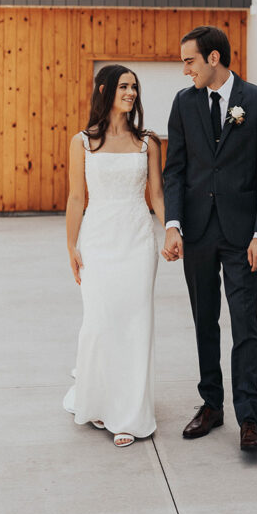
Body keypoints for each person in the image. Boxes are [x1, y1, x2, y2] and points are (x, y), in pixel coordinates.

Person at [162, 26, 257, 452]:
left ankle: (249, 418)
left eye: (189, 61)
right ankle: (211, 405)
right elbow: (174, 169)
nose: (184, 69)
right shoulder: (183, 102)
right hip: (196, 230)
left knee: (244, 322)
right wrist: (173, 223)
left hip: (242, 234)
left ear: (214, 58)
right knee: (204, 320)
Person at [63, 64, 164, 447]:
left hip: (137, 240)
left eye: (134, 87)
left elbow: (156, 195)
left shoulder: (148, 143)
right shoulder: (82, 143)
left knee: (135, 324)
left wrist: (172, 229)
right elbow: (76, 198)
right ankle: (101, 400)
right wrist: (71, 246)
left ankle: (130, 415)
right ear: (104, 89)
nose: (131, 93)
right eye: (124, 86)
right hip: (99, 240)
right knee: (100, 323)